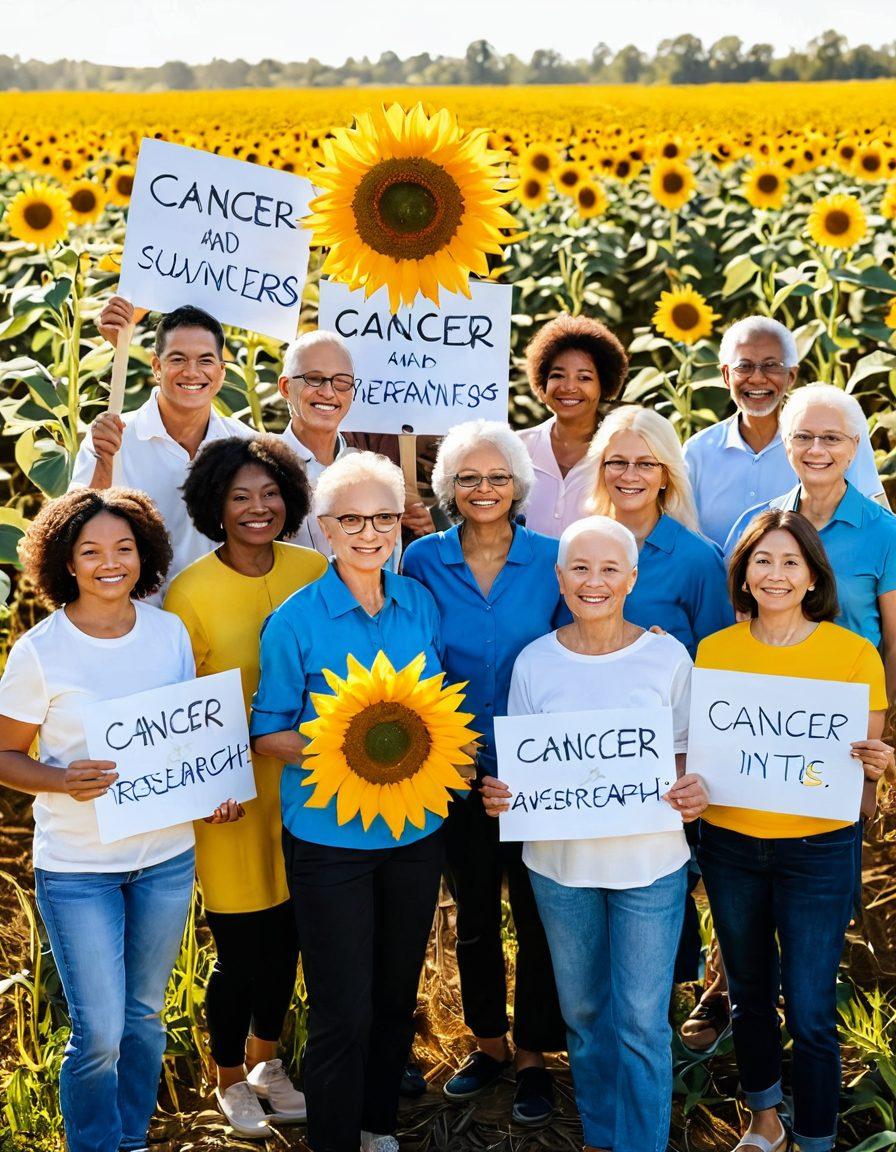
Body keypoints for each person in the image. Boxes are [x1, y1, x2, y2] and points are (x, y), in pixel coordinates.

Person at [0, 488, 222, 1152]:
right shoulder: (41, 652)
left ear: (144, 553)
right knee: (97, 1031)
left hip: (165, 859)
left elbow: (185, 741)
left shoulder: (168, 632)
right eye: (91, 551)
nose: (109, 563)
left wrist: (213, 788)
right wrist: (63, 778)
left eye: (123, 548)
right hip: (79, 869)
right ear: (65, 562)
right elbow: (6, 755)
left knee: (145, 1019)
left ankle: (129, 1139)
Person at [480, 516, 709, 1152]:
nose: (595, 581)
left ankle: (642, 1142)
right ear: (560, 578)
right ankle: (605, 1135)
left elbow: (689, 754)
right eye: (580, 568)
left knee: (639, 1019)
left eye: (610, 569)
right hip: (559, 870)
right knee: (582, 1015)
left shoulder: (666, 656)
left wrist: (692, 791)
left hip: (650, 867)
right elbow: (523, 768)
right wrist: (502, 795)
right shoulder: (534, 661)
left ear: (632, 579)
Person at [250, 452, 451, 1152]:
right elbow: (267, 729)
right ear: (325, 528)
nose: (371, 532)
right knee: (343, 1009)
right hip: (330, 839)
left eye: (385, 517)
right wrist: (340, 743)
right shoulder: (295, 621)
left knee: (396, 998)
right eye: (353, 519)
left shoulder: (419, 602)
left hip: (416, 831)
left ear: (400, 522)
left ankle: (376, 1128)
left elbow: (439, 709)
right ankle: (333, 1140)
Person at [697, 509, 893, 1152]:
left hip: (818, 850)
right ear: (743, 575)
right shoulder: (714, 652)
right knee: (749, 995)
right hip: (730, 844)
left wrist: (878, 765)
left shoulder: (853, 655)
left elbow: (864, 774)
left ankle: (816, 1136)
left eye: (790, 562)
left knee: (810, 1010)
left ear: (813, 576)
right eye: (762, 561)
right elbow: (703, 754)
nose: (775, 574)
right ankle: (763, 1120)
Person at [402, 420, 567, 1125]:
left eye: (498, 477)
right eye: (467, 478)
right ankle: (489, 1044)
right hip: (454, 767)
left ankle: (534, 1055)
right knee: (473, 912)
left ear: (519, 485)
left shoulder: (554, 558)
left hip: (536, 768)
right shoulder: (421, 561)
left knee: (536, 914)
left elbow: (574, 651)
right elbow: (410, 651)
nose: (483, 489)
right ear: (447, 489)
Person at [164, 436, 328, 1138]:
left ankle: (268, 1065)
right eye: (240, 497)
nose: (258, 508)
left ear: (290, 498)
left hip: (314, 785)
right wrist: (202, 787)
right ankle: (227, 1075)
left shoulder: (316, 568)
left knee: (293, 934)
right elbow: (176, 708)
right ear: (215, 507)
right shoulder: (190, 592)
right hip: (227, 795)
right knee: (240, 946)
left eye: (270, 494)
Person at [71, 296, 253, 601]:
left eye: (205, 360)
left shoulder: (246, 446)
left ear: (221, 372)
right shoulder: (113, 438)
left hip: (222, 618)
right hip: (136, 620)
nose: (192, 372)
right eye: (178, 359)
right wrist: (104, 460)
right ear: (157, 366)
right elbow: (74, 528)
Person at [725, 383, 896, 696]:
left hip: (848, 711)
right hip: (763, 708)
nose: (816, 450)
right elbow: (735, 622)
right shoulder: (754, 524)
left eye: (831, 438)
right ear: (786, 443)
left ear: (854, 446)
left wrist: (883, 724)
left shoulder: (887, 533)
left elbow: (895, 644)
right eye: (803, 437)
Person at [683, 315, 884, 549]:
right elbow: (682, 538)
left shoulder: (826, 447)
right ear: (727, 375)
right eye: (744, 366)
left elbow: (874, 523)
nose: (757, 378)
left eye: (771, 366)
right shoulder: (697, 452)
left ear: (791, 376)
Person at [586, 405, 732, 657]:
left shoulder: (699, 558)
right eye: (618, 462)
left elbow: (719, 659)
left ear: (665, 476)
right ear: (602, 470)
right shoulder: (580, 545)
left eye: (645, 464)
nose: (630, 476)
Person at [277, 330, 435, 553]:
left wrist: (416, 529)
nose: (328, 392)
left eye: (342, 382)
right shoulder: (263, 468)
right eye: (314, 379)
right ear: (285, 386)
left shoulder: (374, 470)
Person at [518, 313, 629, 538]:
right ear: (543, 381)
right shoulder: (517, 447)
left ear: (603, 384)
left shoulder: (622, 452)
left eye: (584, 378)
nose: (569, 387)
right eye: (558, 375)